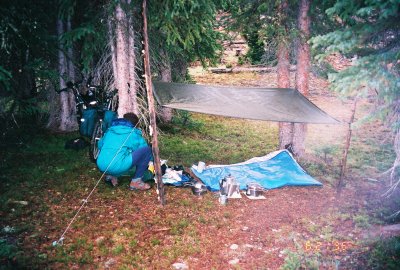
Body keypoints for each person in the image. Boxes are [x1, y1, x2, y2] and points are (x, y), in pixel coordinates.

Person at [96, 112, 153, 190]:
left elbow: (99, 145)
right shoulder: (132, 133)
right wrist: (151, 162)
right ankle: (136, 182)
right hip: (117, 165)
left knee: (119, 154)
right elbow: (142, 150)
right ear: (135, 125)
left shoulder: (110, 130)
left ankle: (111, 175)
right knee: (147, 150)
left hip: (101, 164)